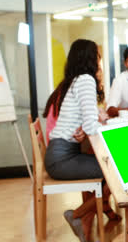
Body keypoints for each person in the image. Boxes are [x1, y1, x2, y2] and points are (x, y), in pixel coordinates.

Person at [44, 39, 120, 242]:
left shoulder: (76, 80)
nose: (100, 60)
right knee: (118, 170)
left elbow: (90, 121)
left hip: (59, 155)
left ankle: (78, 217)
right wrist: (98, 127)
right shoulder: (86, 80)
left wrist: (93, 123)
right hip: (62, 159)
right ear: (91, 58)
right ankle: (76, 215)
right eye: (98, 56)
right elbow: (91, 126)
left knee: (113, 169)